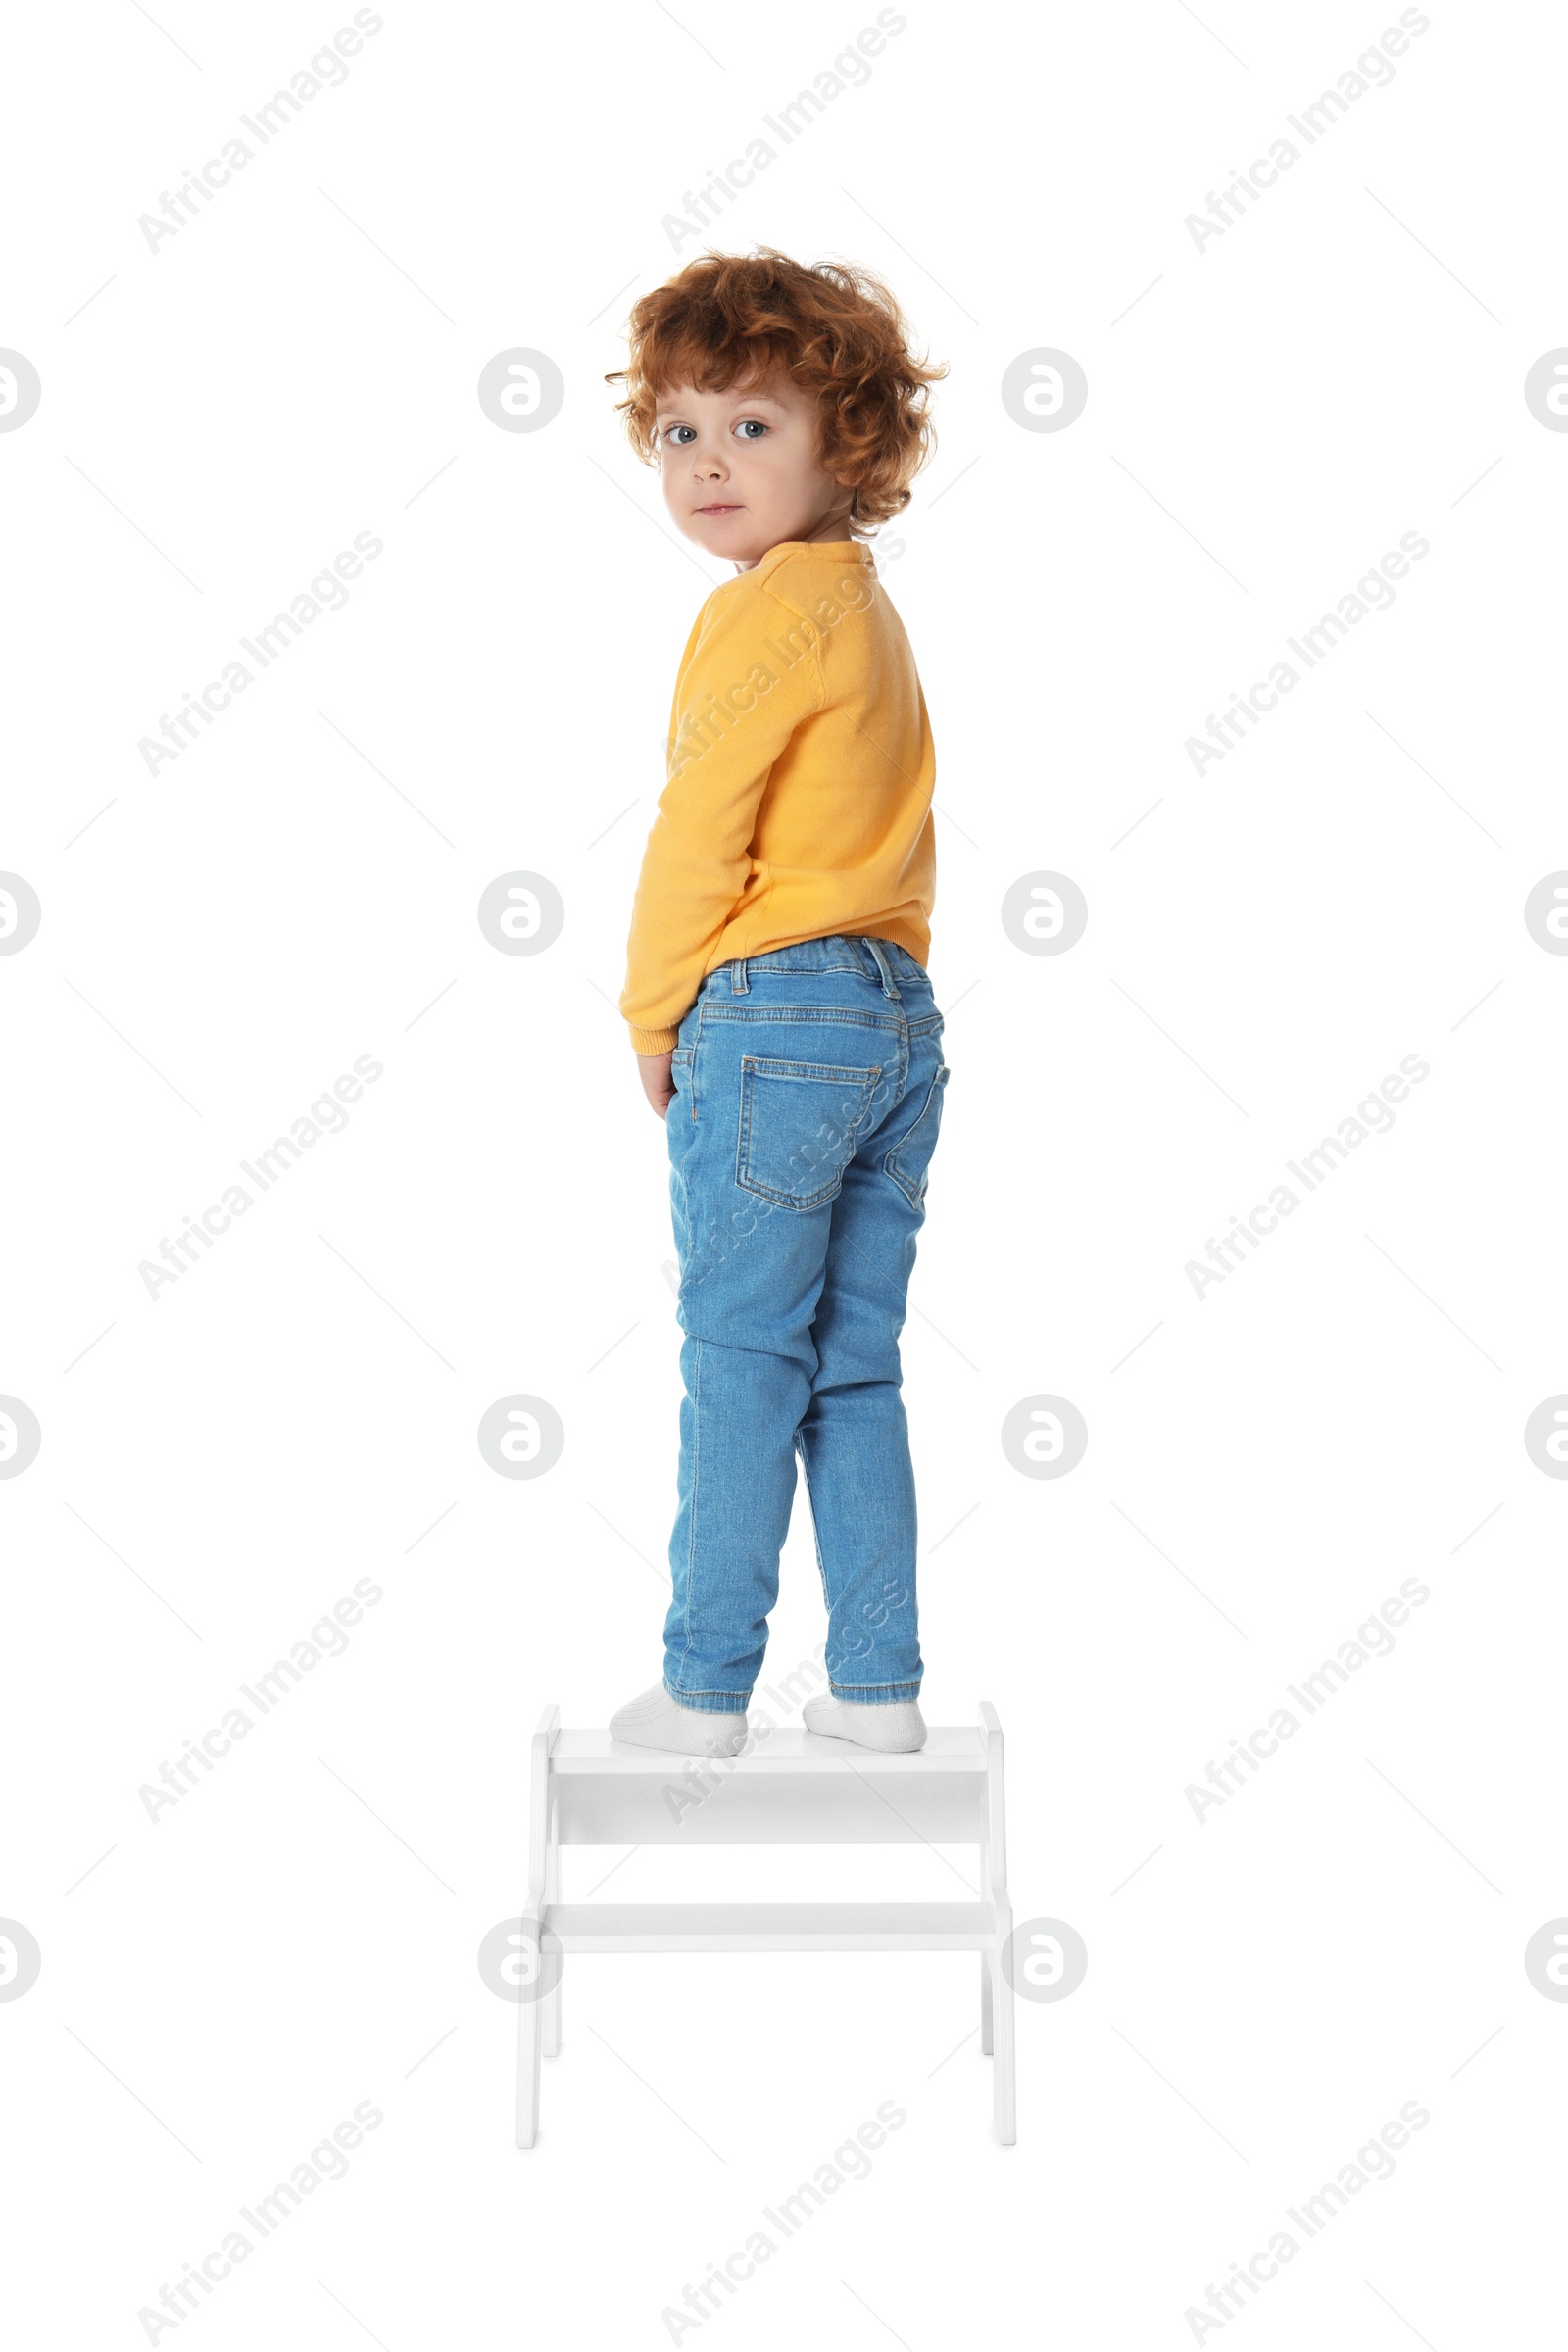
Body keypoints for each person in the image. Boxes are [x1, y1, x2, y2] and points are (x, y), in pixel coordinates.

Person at [604, 247, 950, 1760]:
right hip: (895, 1015)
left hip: (773, 1011)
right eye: (681, 429)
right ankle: (877, 1690)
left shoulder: (764, 613)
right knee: (854, 1362)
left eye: (754, 426)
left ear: (848, 443)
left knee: (742, 1356)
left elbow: (704, 825)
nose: (708, 464)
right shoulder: (864, 609)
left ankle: (704, 1689)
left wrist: (652, 1009)